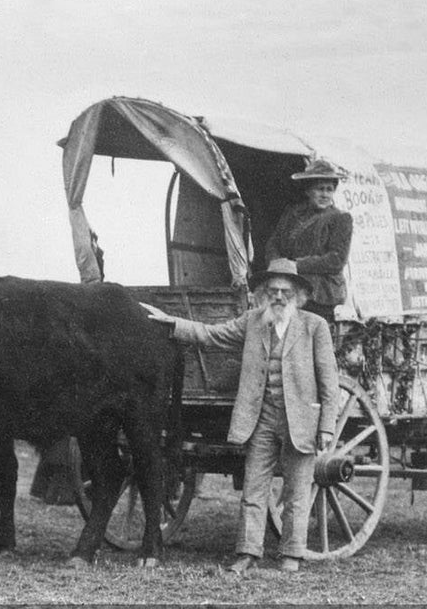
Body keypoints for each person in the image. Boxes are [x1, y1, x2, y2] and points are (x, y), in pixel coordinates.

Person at [142, 258, 339, 575]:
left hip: (301, 422)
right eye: (272, 290)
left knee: (297, 493)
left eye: (284, 291)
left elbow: (330, 383)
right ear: (263, 293)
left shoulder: (315, 327)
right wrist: (171, 322)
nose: (277, 296)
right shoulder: (252, 321)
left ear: (298, 295)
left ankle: (291, 555)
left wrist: (327, 427)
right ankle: (247, 553)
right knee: (253, 490)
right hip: (260, 420)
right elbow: (211, 334)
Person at [264, 158, 354, 321]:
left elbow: (336, 260)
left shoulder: (340, 219)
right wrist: (276, 264)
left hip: (320, 295)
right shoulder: (293, 214)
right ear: (308, 191)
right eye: (320, 189)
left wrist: (295, 266)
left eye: (329, 189)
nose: (325, 194)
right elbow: (274, 242)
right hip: (289, 288)